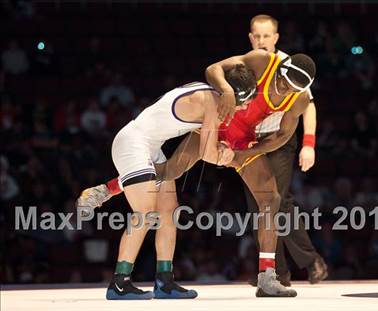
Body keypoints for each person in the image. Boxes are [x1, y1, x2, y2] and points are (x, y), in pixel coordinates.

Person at [78, 49, 315, 297]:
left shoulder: (295, 100)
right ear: (279, 70)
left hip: (236, 138)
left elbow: (283, 136)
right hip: (174, 133)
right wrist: (226, 99)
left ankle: (260, 277)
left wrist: (242, 154)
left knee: (264, 199)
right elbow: (214, 71)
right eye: (282, 82)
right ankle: (120, 277)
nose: (284, 89)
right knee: (158, 190)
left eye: (291, 89)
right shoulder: (256, 66)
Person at [97, 65, 255, 300]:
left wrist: (224, 149)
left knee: (169, 212)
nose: (245, 108)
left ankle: (164, 281)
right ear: (232, 96)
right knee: (145, 213)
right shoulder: (210, 102)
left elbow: (204, 148)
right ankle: (119, 282)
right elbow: (208, 154)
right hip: (132, 143)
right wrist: (231, 155)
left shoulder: (211, 96)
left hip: (151, 148)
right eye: (244, 102)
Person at [244, 14, 328, 285]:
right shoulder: (245, 65)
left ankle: (308, 261)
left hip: (280, 139)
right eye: (256, 35)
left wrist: (309, 145)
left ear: (276, 38)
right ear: (250, 37)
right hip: (250, 144)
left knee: (275, 201)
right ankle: (276, 273)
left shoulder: (290, 66)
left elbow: (309, 106)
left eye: (266, 35)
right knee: (260, 206)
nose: (261, 40)